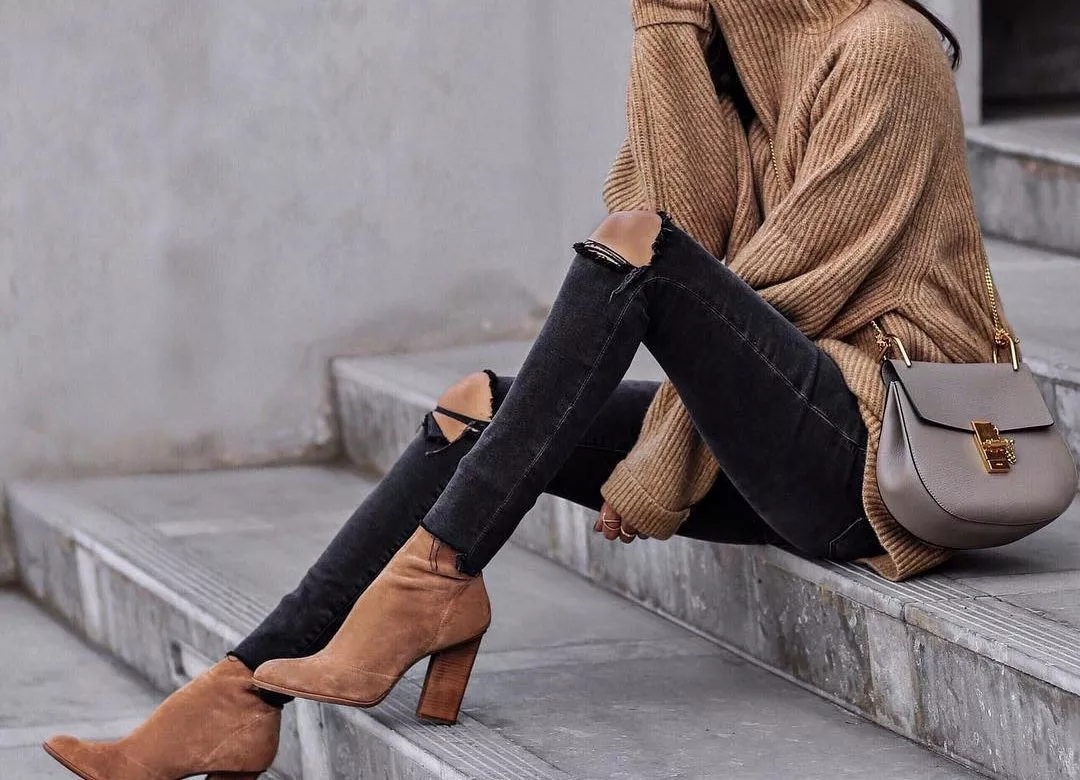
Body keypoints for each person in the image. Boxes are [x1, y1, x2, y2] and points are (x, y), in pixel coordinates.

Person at [44, 0, 1006, 777]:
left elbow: (780, 286)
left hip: (880, 455)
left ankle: (433, 586)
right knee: (476, 407)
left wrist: (662, 452)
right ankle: (239, 693)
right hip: (773, 445)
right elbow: (677, 220)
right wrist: (666, 26)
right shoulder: (722, 55)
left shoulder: (885, 45)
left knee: (633, 255)